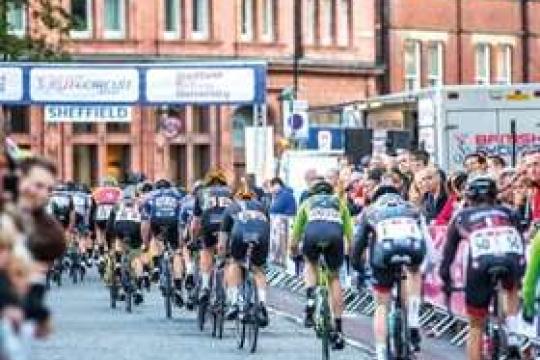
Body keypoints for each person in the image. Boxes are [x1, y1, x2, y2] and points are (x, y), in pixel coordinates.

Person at [440, 176, 525, 360]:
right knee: (511, 288)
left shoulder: (461, 216)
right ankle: (513, 335)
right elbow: (521, 239)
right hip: (511, 260)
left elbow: (448, 255)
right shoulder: (509, 212)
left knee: (475, 325)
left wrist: (446, 281)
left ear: (469, 197)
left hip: (480, 264)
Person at [352, 185, 428, 360]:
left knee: (381, 306)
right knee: (413, 272)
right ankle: (413, 320)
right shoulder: (412, 209)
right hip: (412, 250)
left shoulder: (370, 211)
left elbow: (358, 243)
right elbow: (425, 241)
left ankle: (380, 353)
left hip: (383, 256)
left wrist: (358, 267)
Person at [290, 179, 353, 350]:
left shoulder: (307, 202)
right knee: (334, 279)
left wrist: (293, 250)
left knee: (310, 263)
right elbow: (350, 234)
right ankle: (338, 329)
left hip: (312, 236)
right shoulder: (339, 203)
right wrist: (351, 253)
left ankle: (310, 300)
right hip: (334, 238)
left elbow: (296, 231)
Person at [219, 187, 270, 327]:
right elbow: (268, 229)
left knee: (234, 262)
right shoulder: (262, 207)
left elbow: (222, 241)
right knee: (258, 269)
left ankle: (235, 303)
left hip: (239, 236)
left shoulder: (231, 208)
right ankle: (262, 304)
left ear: (237, 197)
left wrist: (222, 258)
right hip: (261, 236)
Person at [191, 169, 233, 304]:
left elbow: (195, 222)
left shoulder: (201, 193)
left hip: (209, 225)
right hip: (226, 226)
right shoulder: (230, 192)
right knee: (227, 259)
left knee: (206, 251)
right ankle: (228, 293)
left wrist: (193, 239)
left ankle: (205, 286)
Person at [142, 179, 185, 306]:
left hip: (157, 220)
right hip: (173, 222)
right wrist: (181, 243)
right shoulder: (177, 195)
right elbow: (183, 217)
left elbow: (145, 224)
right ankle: (177, 286)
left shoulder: (150, 196)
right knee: (176, 253)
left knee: (155, 239)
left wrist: (145, 243)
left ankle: (155, 266)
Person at [105, 188, 145, 305]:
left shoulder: (117, 205)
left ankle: (118, 262)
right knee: (136, 257)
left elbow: (108, 228)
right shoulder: (140, 204)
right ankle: (138, 287)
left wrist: (108, 244)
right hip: (136, 228)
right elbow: (145, 223)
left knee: (118, 240)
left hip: (119, 227)